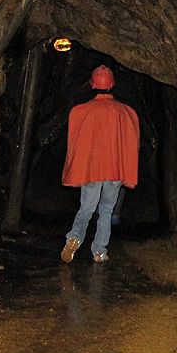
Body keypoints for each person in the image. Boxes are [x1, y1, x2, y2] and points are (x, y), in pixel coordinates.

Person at [60, 65, 139, 263]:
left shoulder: (82, 111)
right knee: (106, 211)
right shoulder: (125, 112)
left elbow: (76, 142)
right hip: (114, 171)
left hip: (91, 170)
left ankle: (74, 239)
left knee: (86, 208)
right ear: (112, 84)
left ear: (92, 84)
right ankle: (99, 251)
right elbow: (132, 143)